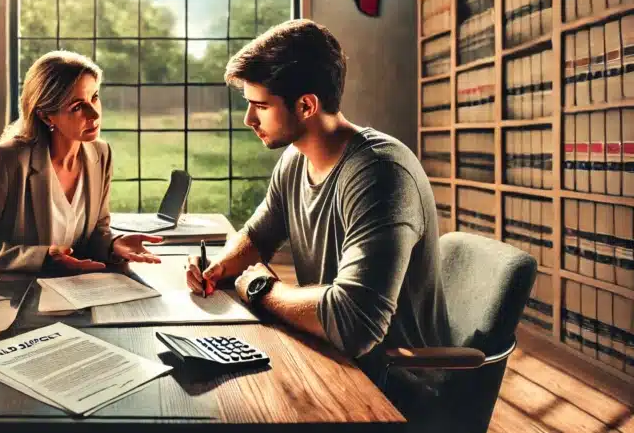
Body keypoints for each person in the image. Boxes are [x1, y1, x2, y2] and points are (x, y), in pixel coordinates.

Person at [185, 19, 450, 387]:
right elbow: (257, 237)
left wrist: (264, 290)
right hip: (331, 357)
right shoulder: (295, 160)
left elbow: (355, 325)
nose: (249, 119)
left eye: (260, 106)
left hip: (392, 387)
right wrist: (219, 267)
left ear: (307, 105)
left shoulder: (380, 173)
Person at [0, 50, 163, 273]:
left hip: (82, 289)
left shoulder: (101, 154)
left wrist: (114, 245)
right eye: (77, 106)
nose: (94, 114)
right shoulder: (7, 161)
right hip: (16, 293)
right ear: (46, 116)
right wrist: (43, 258)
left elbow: (96, 232)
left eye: (94, 97)